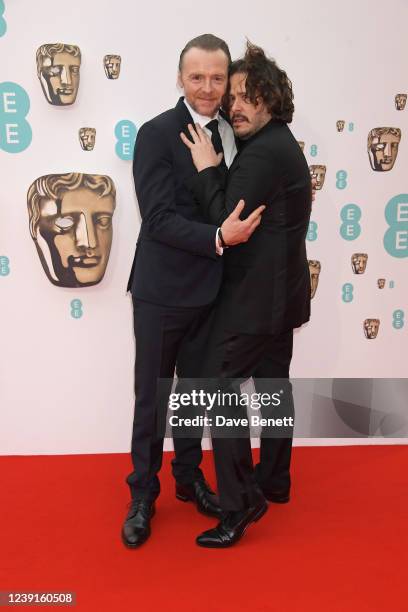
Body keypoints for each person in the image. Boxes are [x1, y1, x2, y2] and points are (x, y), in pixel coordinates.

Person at [123, 34, 264, 548]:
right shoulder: (155, 134)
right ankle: (142, 494)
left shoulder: (234, 133)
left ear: (228, 81)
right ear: (180, 79)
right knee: (153, 400)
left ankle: (188, 479)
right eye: (197, 77)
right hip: (161, 292)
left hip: (212, 293)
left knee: (195, 398)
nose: (207, 88)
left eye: (217, 78)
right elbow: (157, 218)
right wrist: (215, 237)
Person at [180, 41, 312, 547]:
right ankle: (275, 481)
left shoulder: (263, 153)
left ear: (271, 99)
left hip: (258, 302)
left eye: (245, 95)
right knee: (275, 386)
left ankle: (241, 502)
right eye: (230, 96)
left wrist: (207, 166)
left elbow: (224, 220)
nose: (233, 105)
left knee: (217, 386)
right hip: (283, 297)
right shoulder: (281, 144)